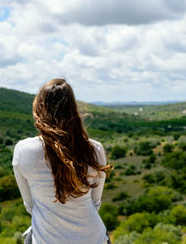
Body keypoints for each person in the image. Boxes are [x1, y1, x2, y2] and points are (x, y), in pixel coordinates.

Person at [12, 78, 114, 244]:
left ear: (39, 109)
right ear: (73, 110)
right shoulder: (95, 150)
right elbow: (95, 203)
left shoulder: (23, 150)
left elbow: (30, 206)